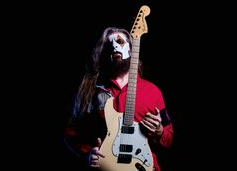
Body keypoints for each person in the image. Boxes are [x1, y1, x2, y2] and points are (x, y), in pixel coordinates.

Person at [64, 27, 173, 171]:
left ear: (131, 49)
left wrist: (159, 131)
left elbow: (169, 136)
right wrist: (87, 153)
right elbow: (71, 132)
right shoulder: (91, 91)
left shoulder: (152, 91)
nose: (114, 46)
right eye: (109, 44)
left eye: (120, 41)